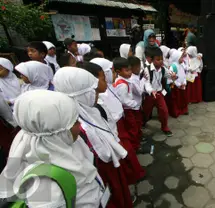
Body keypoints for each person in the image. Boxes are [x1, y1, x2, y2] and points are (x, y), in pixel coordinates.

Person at [0, 90, 103, 207]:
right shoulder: (43, 182)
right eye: (74, 121)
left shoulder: (68, 142)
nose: (79, 124)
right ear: (56, 130)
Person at [53, 67, 133, 208]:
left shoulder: (91, 110)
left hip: (107, 165)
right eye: (93, 92)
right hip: (98, 171)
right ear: (82, 95)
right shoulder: (73, 125)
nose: (96, 95)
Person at [143, 47, 176, 136]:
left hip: (159, 94)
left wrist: (173, 76)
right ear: (152, 60)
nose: (160, 61)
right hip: (150, 95)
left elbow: (169, 75)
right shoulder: (147, 69)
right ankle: (143, 123)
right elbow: (146, 83)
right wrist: (151, 91)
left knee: (164, 111)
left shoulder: (163, 69)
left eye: (161, 59)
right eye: (158, 59)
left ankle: (165, 127)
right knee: (146, 111)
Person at [166, 49, 188, 118]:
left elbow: (184, 75)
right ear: (177, 57)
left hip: (182, 86)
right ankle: (175, 111)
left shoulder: (181, 65)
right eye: (181, 57)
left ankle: (183, 109)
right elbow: (171, 78)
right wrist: (178, 84)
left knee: (182, 99)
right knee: (175, 99)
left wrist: (184, 82)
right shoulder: (173, 67)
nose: (183, 59)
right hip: (176, 87)